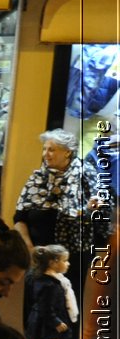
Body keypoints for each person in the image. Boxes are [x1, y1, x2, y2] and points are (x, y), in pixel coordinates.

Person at [13, 128, 109, 304]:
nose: (45, 154)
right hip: (38, 255)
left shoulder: (86, 174)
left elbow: (101, 214)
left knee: (65, 305)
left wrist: (91, 209)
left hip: (70, 259)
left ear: (67, 152)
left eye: (51, 149)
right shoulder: (38, 177)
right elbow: (19, 217)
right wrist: (29, 247)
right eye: (44, 149)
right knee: (35, 307)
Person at [24, 244, 77, 339]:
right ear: (53, 263)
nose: (68, 263)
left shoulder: (54, 280)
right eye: (65, 260)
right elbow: (45, 307)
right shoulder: (48, 284)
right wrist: (56, 322)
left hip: (44, 323)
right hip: (42, 323)